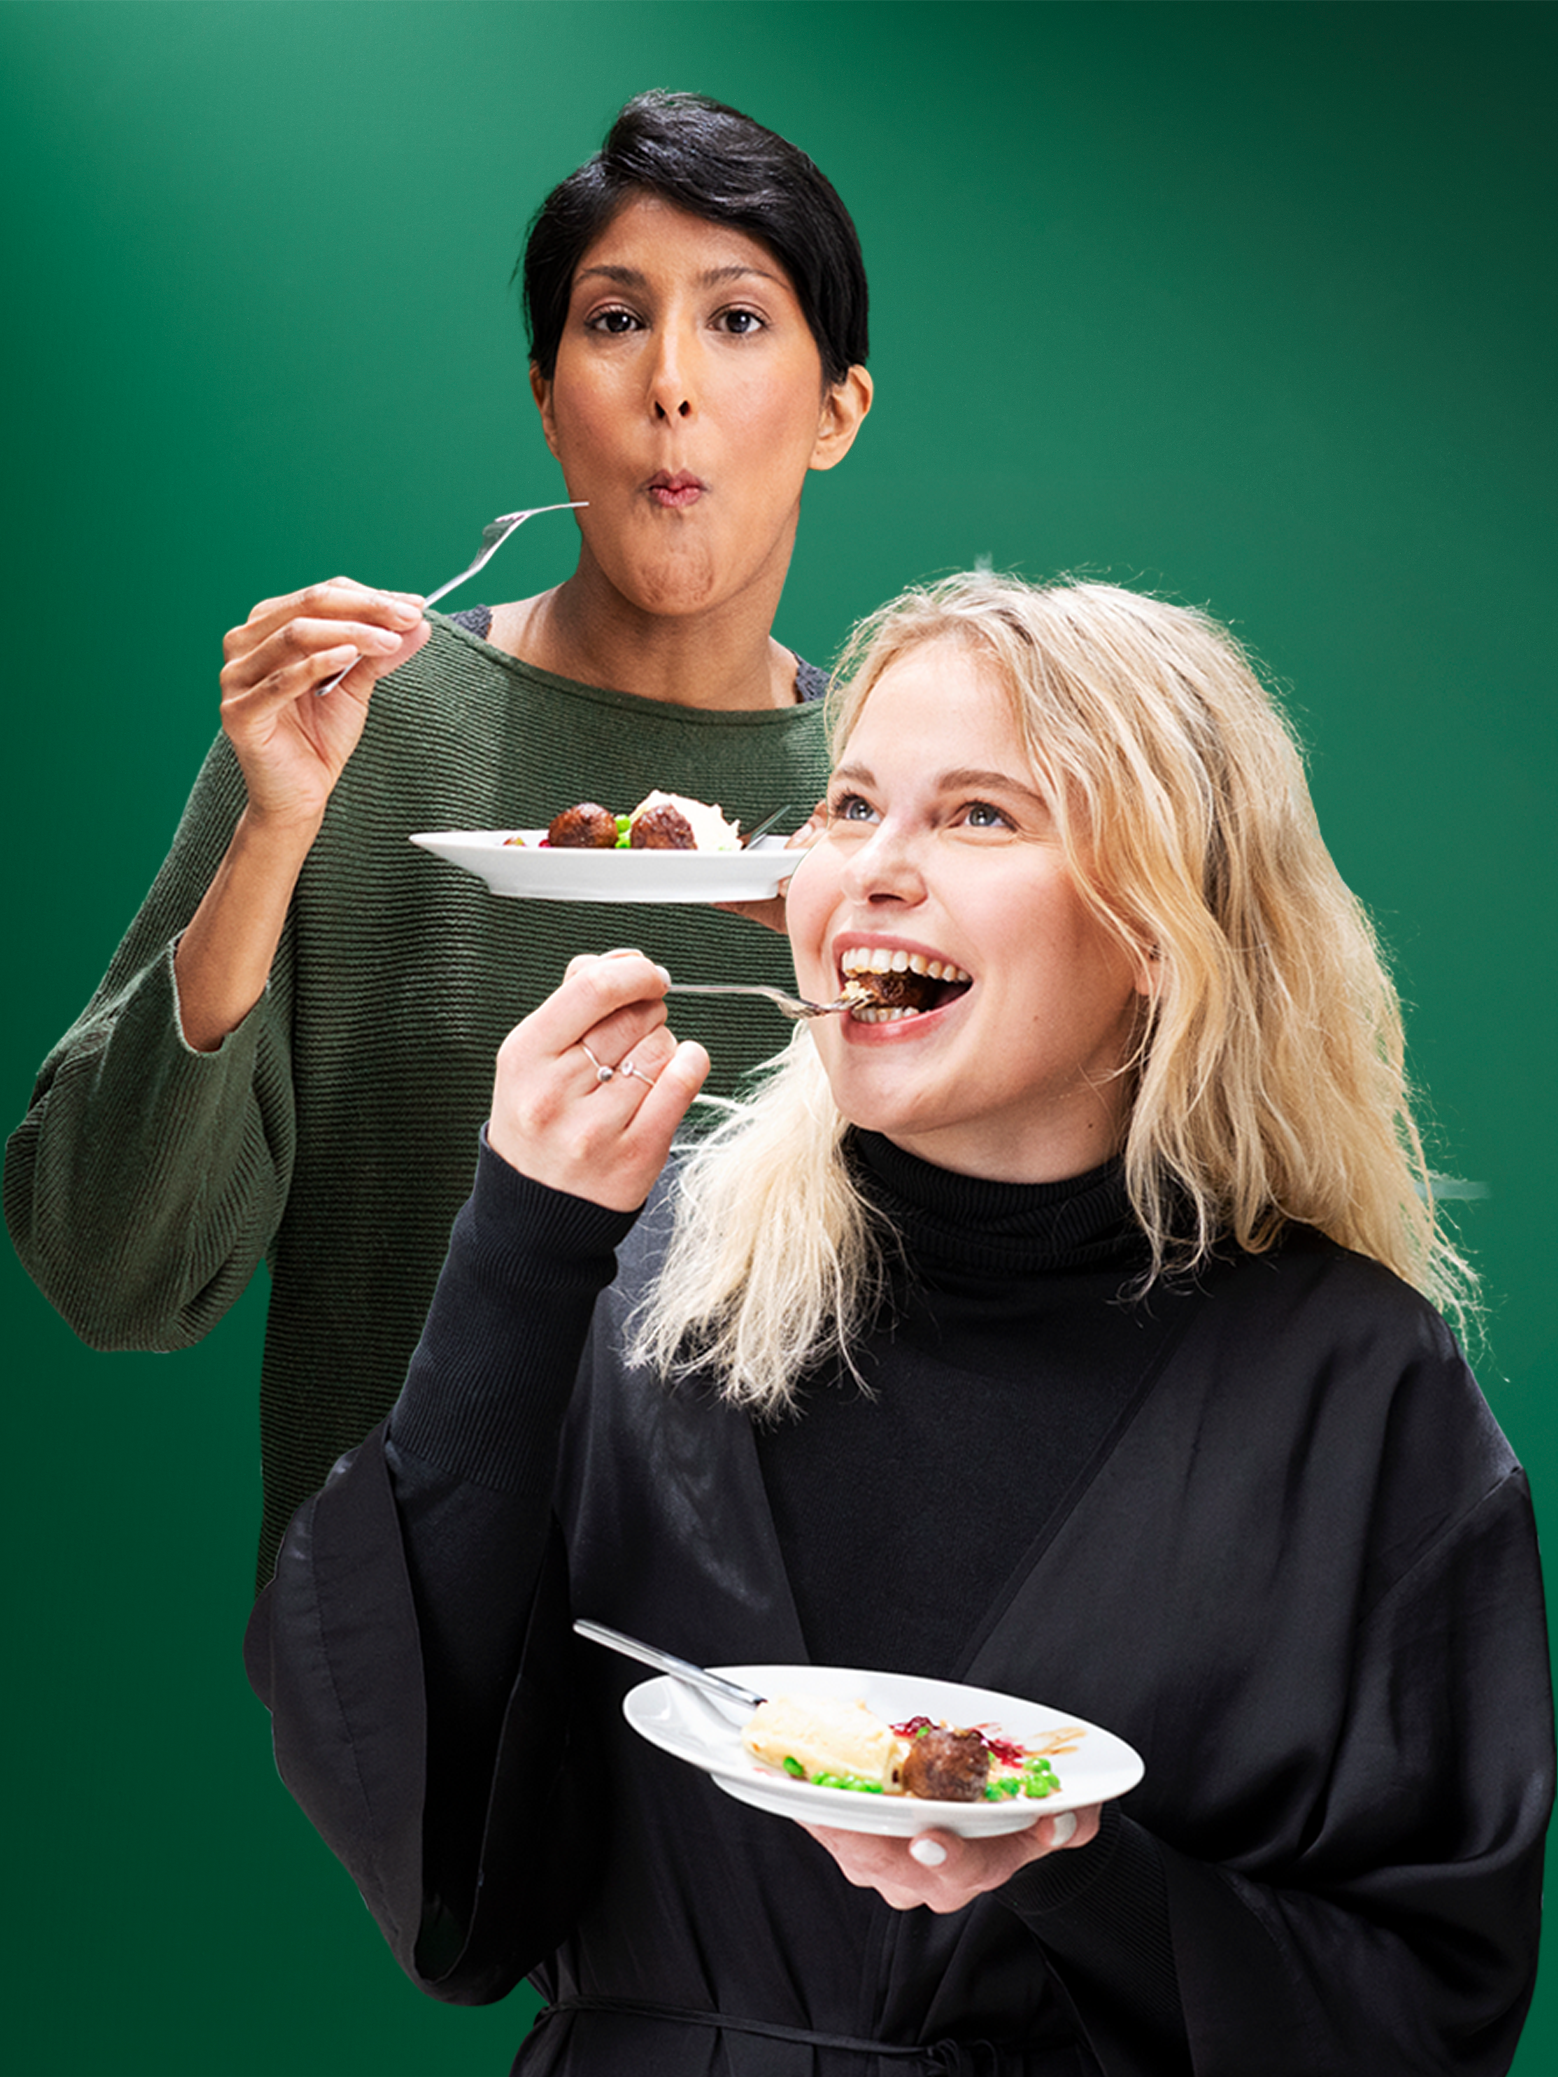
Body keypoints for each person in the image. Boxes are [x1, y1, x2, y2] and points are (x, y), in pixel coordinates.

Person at [245, 572, 1552, 2075]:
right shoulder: (644, 1273)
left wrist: (1075, 1873)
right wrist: (518, 1248)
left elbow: (1424, 2011)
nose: (872, 869)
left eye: (980, 816)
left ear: (1156, 929)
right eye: (852, 806)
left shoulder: (1354, 1387)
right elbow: (416, 1820)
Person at [3, 90, 872, 1583]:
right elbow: (113, 1274)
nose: (670, 384)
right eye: (615, 322)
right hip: (424, 1678)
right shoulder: (360, 730)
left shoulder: (888, 798)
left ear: (835, 409)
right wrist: (277, 823)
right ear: (547, 398)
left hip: (809, 1690)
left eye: (736, 322)